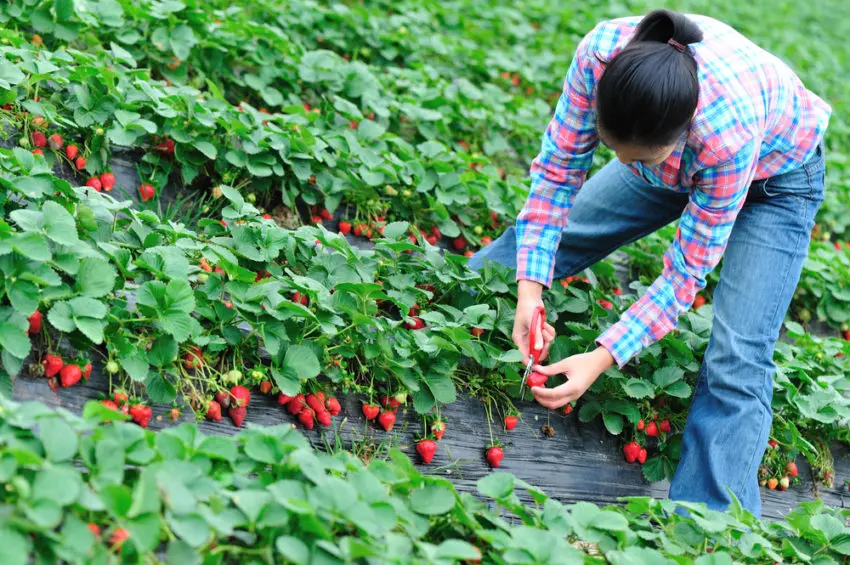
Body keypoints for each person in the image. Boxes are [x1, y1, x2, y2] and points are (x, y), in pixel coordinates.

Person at [468, 9, 829, 517]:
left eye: (638, 158)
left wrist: (600, 357)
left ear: (680, 140)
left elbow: (683, 277)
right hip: (675, 146)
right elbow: (556, 175)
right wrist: (529, 290)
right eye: (614, 148)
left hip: (778, 182)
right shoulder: (602, 55)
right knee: (557, 237)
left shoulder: (724, 137)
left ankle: (708, 529)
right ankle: (457, 322)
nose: (622, 164)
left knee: (737, 355)